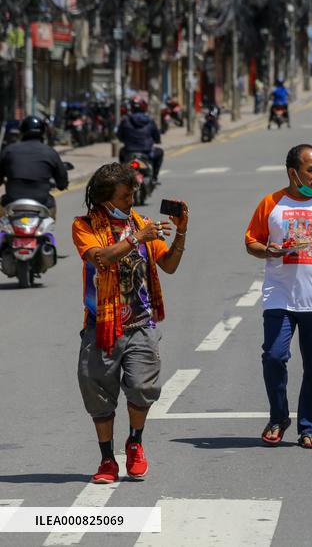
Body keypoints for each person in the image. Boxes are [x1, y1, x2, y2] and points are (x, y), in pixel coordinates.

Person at [71, 163, 189, 483]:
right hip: (102, 325)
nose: (131, 202)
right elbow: (101, 258)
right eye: (125, 197)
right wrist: (137, 238)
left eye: (133, 194)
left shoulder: (142, 224)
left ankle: (135, 442)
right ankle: (107, 459)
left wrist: (181, 232)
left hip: (141, 323)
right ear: (104, 200)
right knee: (98, 393)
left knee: (142, 387)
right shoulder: (84, 226)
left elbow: (169, 265)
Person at [245, 144, 312, 449]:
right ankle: (279, 417)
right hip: (279, 296)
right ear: (293, 172)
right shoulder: (271, 203)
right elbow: (250, 241)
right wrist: (268, 250)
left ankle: (309, 427)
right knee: (274, 357)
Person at [0, 116, 69, 217]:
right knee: (51, 209)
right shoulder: (50, 152)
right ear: (42, 131)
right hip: (42, 202)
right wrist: (62, 185)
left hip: (12, 201)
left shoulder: (9, 150)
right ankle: (48, 231)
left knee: (2, 218)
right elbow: (62, 181)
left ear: (22, 131)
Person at [117, 98, 164, 183]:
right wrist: (157, 141)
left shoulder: (125, 120)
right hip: (147, 152)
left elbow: (119, 136)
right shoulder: (150, 121)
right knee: (160, 152)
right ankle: (154, 178)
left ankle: (122, 177)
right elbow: (156, 136)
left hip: (129, 152)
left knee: (121, 153)